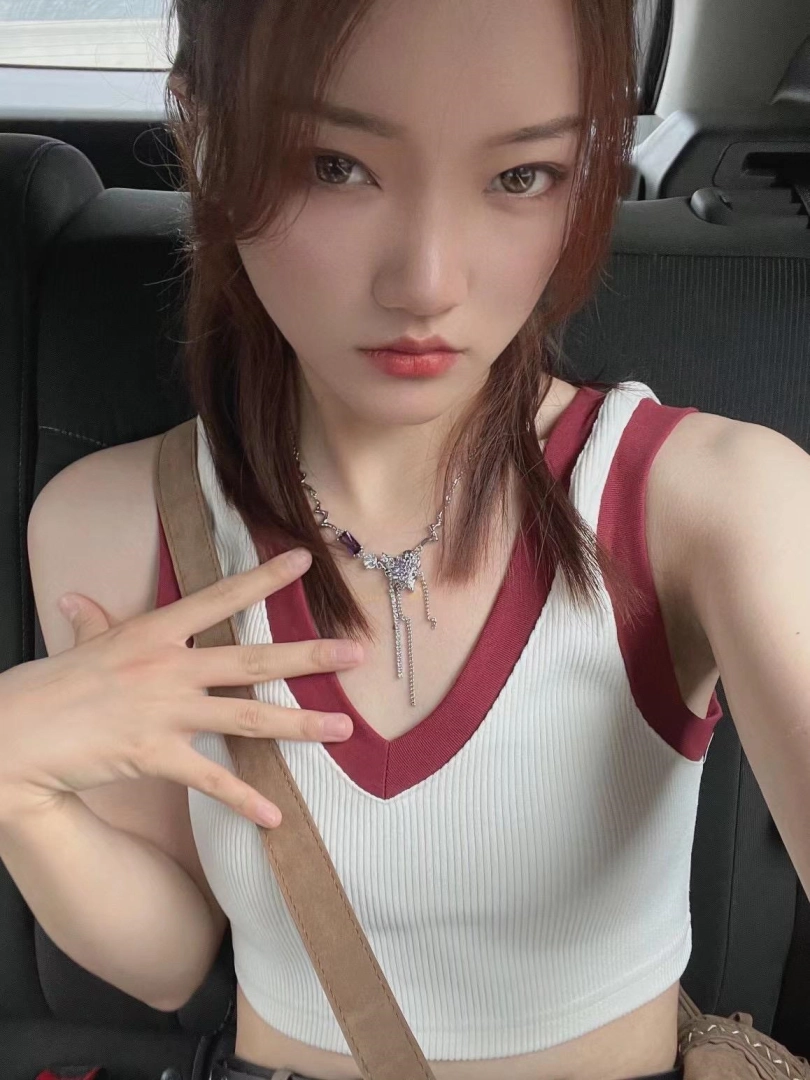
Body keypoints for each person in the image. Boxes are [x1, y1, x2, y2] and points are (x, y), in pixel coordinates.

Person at [0, 1, 731, 1078]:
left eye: (521, 175)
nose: (427, 280)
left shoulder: (706, 501)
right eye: (332, 165)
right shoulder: (113, 523)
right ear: (202, 136)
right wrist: (12, 773)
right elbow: (168, 963)